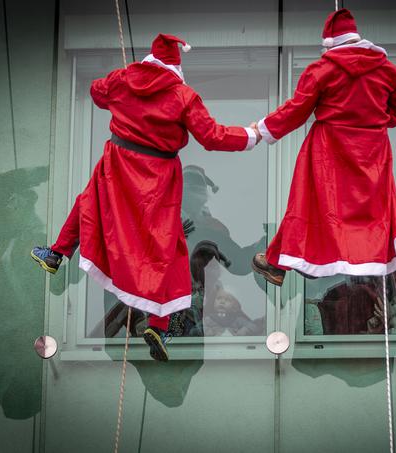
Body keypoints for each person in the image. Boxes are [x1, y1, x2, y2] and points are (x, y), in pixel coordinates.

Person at [31, 33, 260, 361]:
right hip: (157, 180)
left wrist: (121, 82)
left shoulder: (122, 80)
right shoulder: (183, 95)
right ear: (177, 67)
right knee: (165, 250)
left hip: (119, 163)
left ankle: (56, 252)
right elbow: (211, 136)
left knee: (90, 203)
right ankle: (159, 323)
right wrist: (250, 135)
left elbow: (97, 93)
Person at [249, 8, 396, 285]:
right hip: (372, 150)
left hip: (328, 148)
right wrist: (372, 125)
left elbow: (297, 110)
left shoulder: (321, 70)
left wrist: (261, 130)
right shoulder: (389, 72)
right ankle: (367, 262)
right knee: (371, 212)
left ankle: (284, 261)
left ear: (329, 43)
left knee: (310, 205)